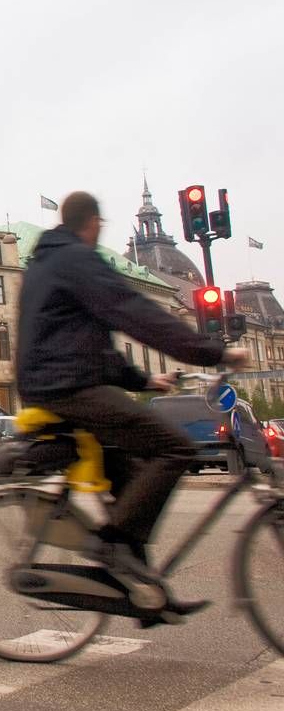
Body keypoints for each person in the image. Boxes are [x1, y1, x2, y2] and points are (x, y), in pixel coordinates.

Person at [17, 191, 247, 607]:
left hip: (56, 383)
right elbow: (134, 312)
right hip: (70, 388)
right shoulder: (76, 260)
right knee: (175, 448)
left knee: (129, 470)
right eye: (99, 224)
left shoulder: (45, 263)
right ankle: (112, 548)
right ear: (92, 223)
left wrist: (143, 381)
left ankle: (143, 591)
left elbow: (92, 345)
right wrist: (213, 353)